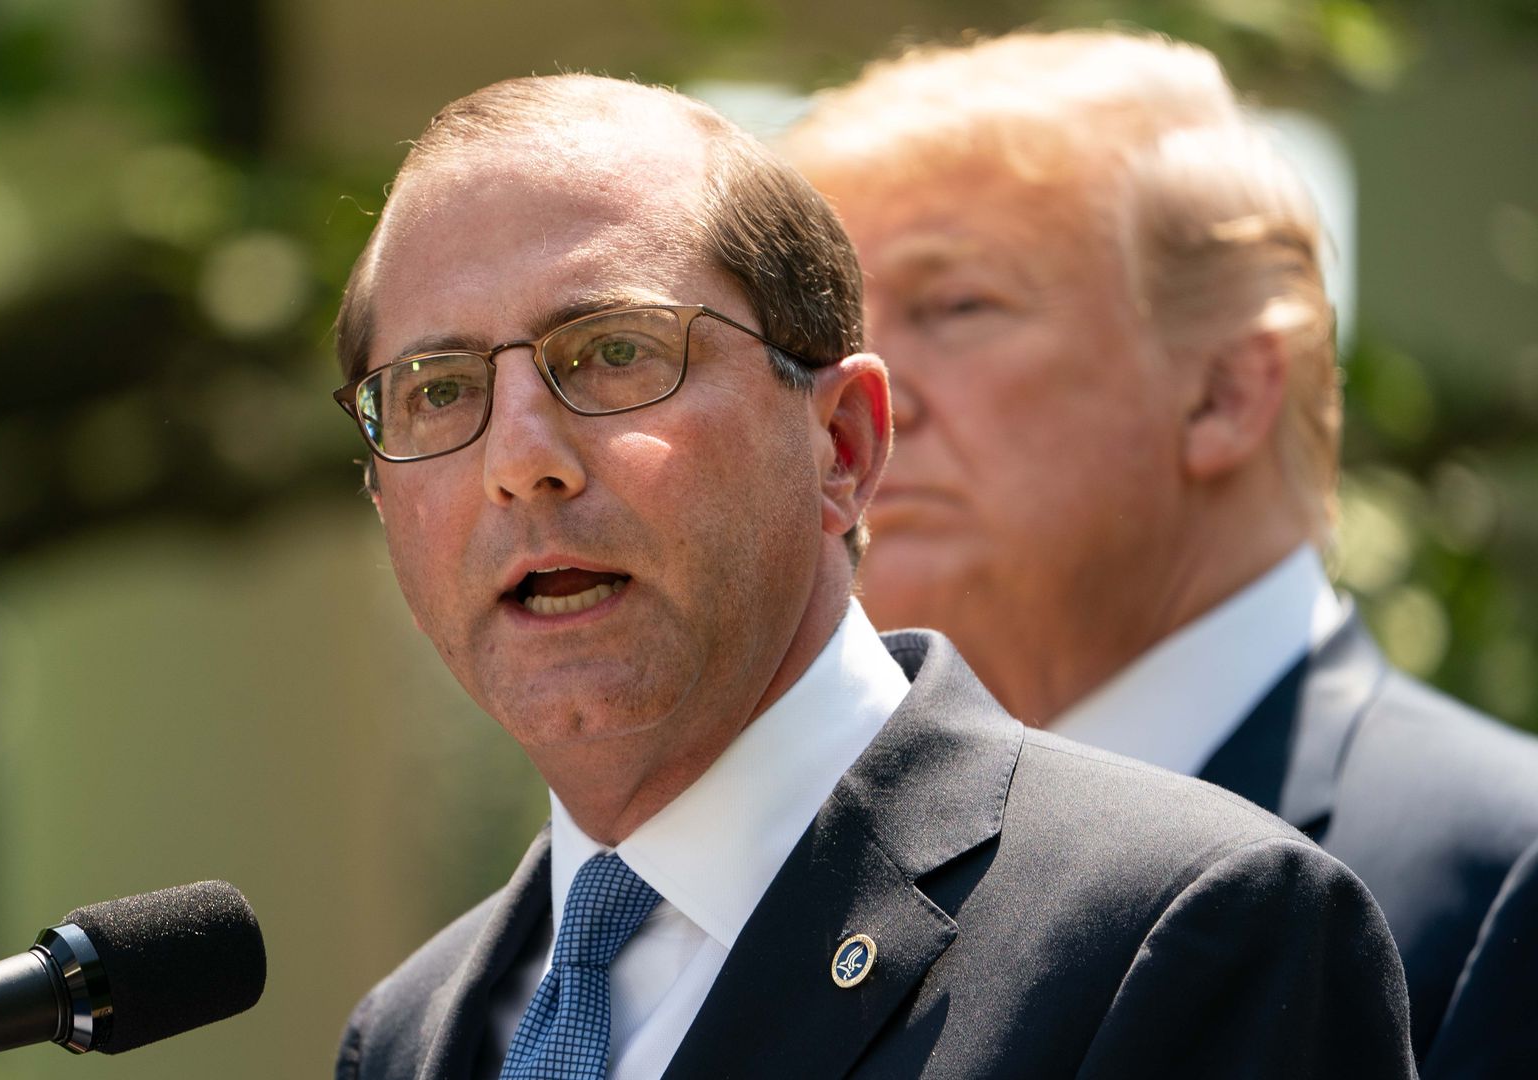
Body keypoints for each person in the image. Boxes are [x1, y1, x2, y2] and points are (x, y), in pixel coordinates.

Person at [329, 73, 1411, 1080]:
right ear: (382, 494)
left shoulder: (1184, 934)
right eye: (435, 391)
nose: (521, 461)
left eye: (615, 352)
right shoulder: (410, 1033)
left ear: (841, 445)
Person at [788, 29, 1538, 1077]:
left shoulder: (1509, 873)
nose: (858, 402)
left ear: (1224, 394)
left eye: (956, 306)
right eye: (834, 335)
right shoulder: (801, 879)